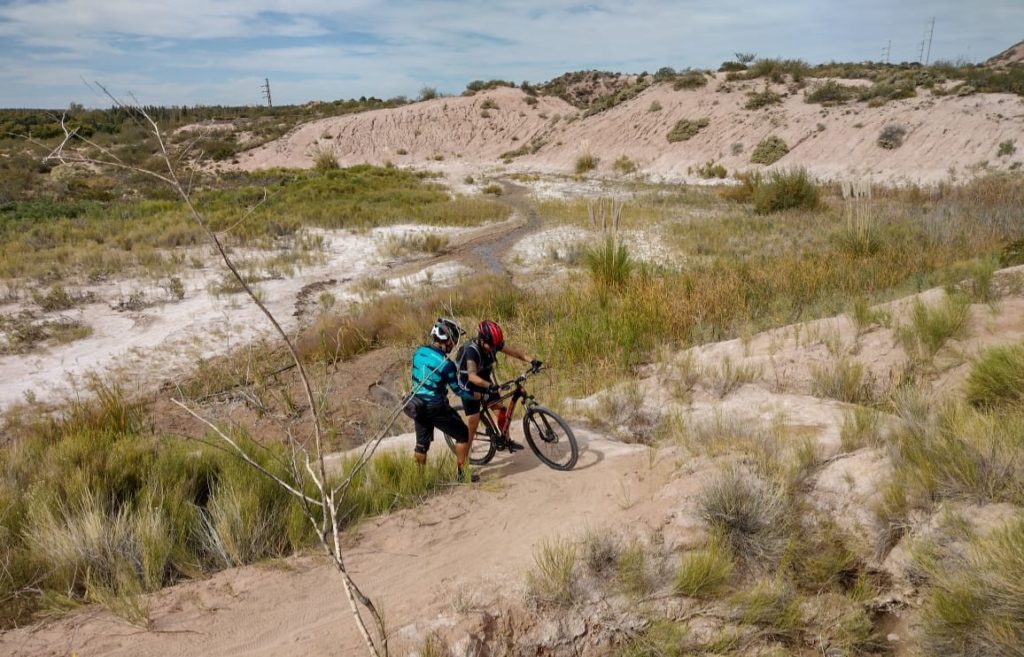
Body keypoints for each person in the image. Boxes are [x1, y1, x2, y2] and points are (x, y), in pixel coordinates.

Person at [457, 319, 542, 452]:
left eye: (495, 346)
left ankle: (506, 440)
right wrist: (490, 386)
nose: (493, 348)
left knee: (500, 411)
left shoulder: (493, 344)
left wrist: (532, 360)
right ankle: (463, 462)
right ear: (481, 340)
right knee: (473, 421)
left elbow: (515, 353)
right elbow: (472, 376)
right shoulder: (471, 351)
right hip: (469, 386)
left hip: (485, 381)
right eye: (490, 345)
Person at [410, 318, 477, 483]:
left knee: (421, 445)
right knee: (462, 434)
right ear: (446, 339)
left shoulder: (418, 352)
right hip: (436, 407)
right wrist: (476, 396)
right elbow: (458, 390)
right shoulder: (446, 364)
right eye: (453, 340)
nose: (454, 344)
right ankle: (462, 475)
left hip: (416, 404)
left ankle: (419, 480)